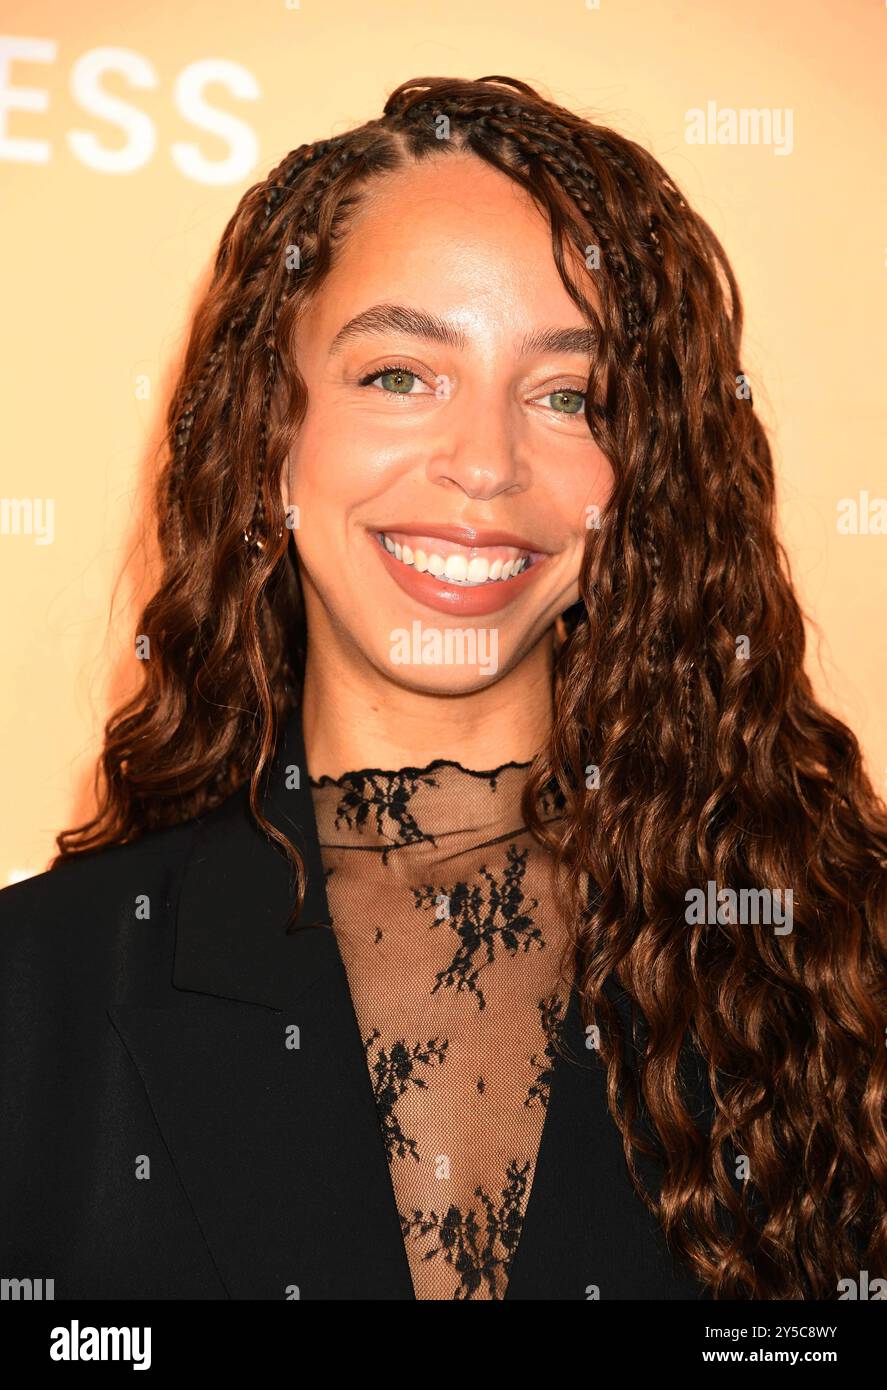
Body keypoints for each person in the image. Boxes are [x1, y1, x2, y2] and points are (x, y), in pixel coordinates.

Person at [1, 74, 885, 1302]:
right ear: (268, 433)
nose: (484, 463)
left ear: (644, 476)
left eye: (569, 396)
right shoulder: (36, 989)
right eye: (399, 375)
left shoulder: (839, 965)